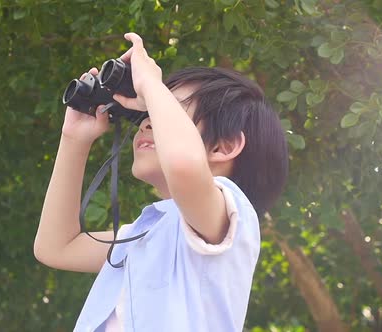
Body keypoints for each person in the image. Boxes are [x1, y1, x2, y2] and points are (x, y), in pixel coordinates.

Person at [34, 32, 288, 332]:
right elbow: (56, 247)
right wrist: (74, 139)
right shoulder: (145, 234)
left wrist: (151, 83)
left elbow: (184, 166)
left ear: (222, 147)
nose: (146, 121)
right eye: (149, 112)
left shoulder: (230, 219)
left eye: (166, 110)